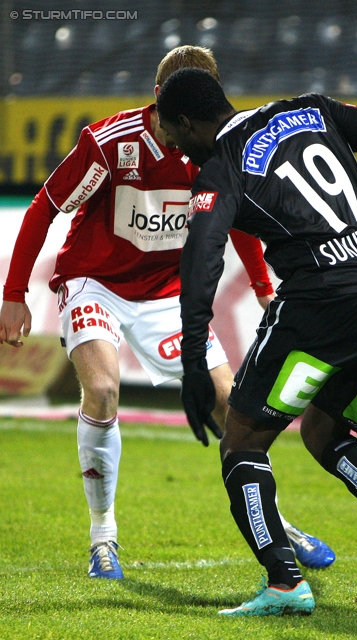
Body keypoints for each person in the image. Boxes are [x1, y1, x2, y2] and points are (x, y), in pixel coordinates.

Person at [0, 46, 335, 581]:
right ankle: (103, 536)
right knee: (104, 390)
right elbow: (46, 206)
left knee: (232, 406)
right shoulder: (111, 146)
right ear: (162, 99)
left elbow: (240, 221)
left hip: (167, 294)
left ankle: (278, 525)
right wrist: (15, 293)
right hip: (95, 284)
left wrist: (262, 287)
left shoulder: (219, 147)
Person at [156, 67, 357, 615]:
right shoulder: (311, 109)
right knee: (324, 428)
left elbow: (201, 258)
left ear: (187, 122)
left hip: (323, 300)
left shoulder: (222, 167)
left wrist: (195, 362)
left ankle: (283, 582)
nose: (179, 152)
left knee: (242, 439)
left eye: (176, 141)